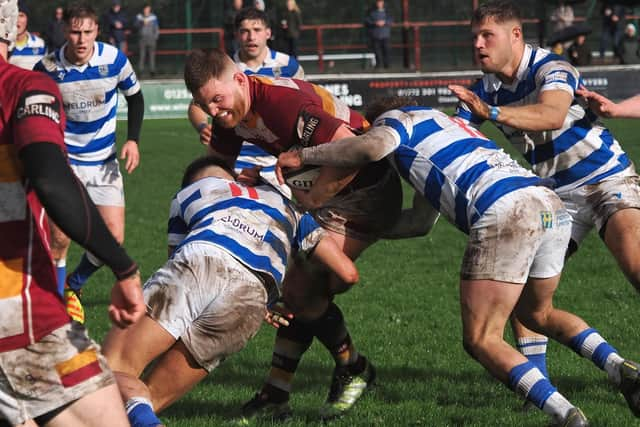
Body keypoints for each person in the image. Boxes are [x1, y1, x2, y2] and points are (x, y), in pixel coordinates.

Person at [276, 96, 640, 426]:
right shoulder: (449, 127)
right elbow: (419, 223)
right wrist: (357, 229)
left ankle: (565, 415)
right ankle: (616, 365)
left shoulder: (398, 120)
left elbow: (371, 148)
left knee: (481, 338)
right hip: (549, 205)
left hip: (507, 209)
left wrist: (306, 156)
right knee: (537, 314)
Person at [184, 48, 402, 421]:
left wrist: (307, 200)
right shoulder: (230, 114)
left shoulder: (281, 103)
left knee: (301, 288)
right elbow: (219, 172)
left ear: (239, 79)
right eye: (208, 107)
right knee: (297, 290)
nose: (217, 113)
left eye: (218, 101)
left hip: (367, 189)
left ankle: (350, 367)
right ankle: (278, 392)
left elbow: (353, 152)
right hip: (326, 187)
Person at [449, 0, 640, 397]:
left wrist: (494, 114)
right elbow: (454, 136)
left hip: (606, 179)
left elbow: (552, 114)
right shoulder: (484, 89)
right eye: (474, 38)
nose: (478, 45)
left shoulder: (551, 68)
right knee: (523, 301)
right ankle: (539, 391)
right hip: (554, 198)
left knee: (637, 267)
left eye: (488, 36)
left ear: (515, 35)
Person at [101, 155, 359, 426]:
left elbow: (176, 262)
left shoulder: (188, 193)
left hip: (201, 261)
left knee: (109, 373)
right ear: (233, 177)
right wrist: (282, 299)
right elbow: (348, 273)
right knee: (146, 402)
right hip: (252, 298)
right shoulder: (290, 208)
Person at [0, 1, 145, 425]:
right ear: (10, 27)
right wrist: (125, 270)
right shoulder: (27, 84)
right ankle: (69, 292)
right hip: (18, 312)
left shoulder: (111, 62)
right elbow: (50, 183)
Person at [34, 3, 144, 323]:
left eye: (87, 31)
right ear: (65, 31)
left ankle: (74, 284)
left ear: (97, 30)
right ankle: (56, 306)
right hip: (64, 162)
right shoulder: (48, 68)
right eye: (74, 32)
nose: (81, 39)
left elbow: (135, 96)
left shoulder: (113, 60)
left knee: (114, 238)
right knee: (60, 239)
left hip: (105, 162)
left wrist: (133, 139)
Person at [189, 6, 304, 193]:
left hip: (278, 162)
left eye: (257, 30)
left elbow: (302, 108)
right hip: (238, 162)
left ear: (268, 33)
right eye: (245, 31)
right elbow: (196, 106)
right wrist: (203, 127)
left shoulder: (288, 66)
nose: (251, 37)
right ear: (236, 35)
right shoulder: (225, 67)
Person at [8, 1, 46, 70]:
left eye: (21, 15)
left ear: (27, 19)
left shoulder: (39, 44)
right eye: (14, 16)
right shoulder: (4, 45)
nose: (17, 20)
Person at [364, 0, 392, 69]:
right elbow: (367, 20)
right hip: (375, 35)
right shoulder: (371, 12)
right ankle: (378, 65)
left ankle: (387, 65)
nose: (379, 4)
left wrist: (384, 22)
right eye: (378, 3)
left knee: (386, 50)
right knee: (376, 51)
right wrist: (375, 23)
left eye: (381, 3)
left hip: (385, 35)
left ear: (383, 3)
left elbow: (391, 20)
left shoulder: (387, 12)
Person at [135, 3, 159, 76]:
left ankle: (152, 71)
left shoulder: (153, 17)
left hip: (151, 39)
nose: (146, 10)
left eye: (148, 9)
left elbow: (156, 28)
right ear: (143, 9)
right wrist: (141, 23)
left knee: (152, 56)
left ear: (150, 9)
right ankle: (140, 71)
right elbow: (135, 26)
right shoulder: (139, 17)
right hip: (142, 39)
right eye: (145, 9)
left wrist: (155, 37)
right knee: (142, 56)